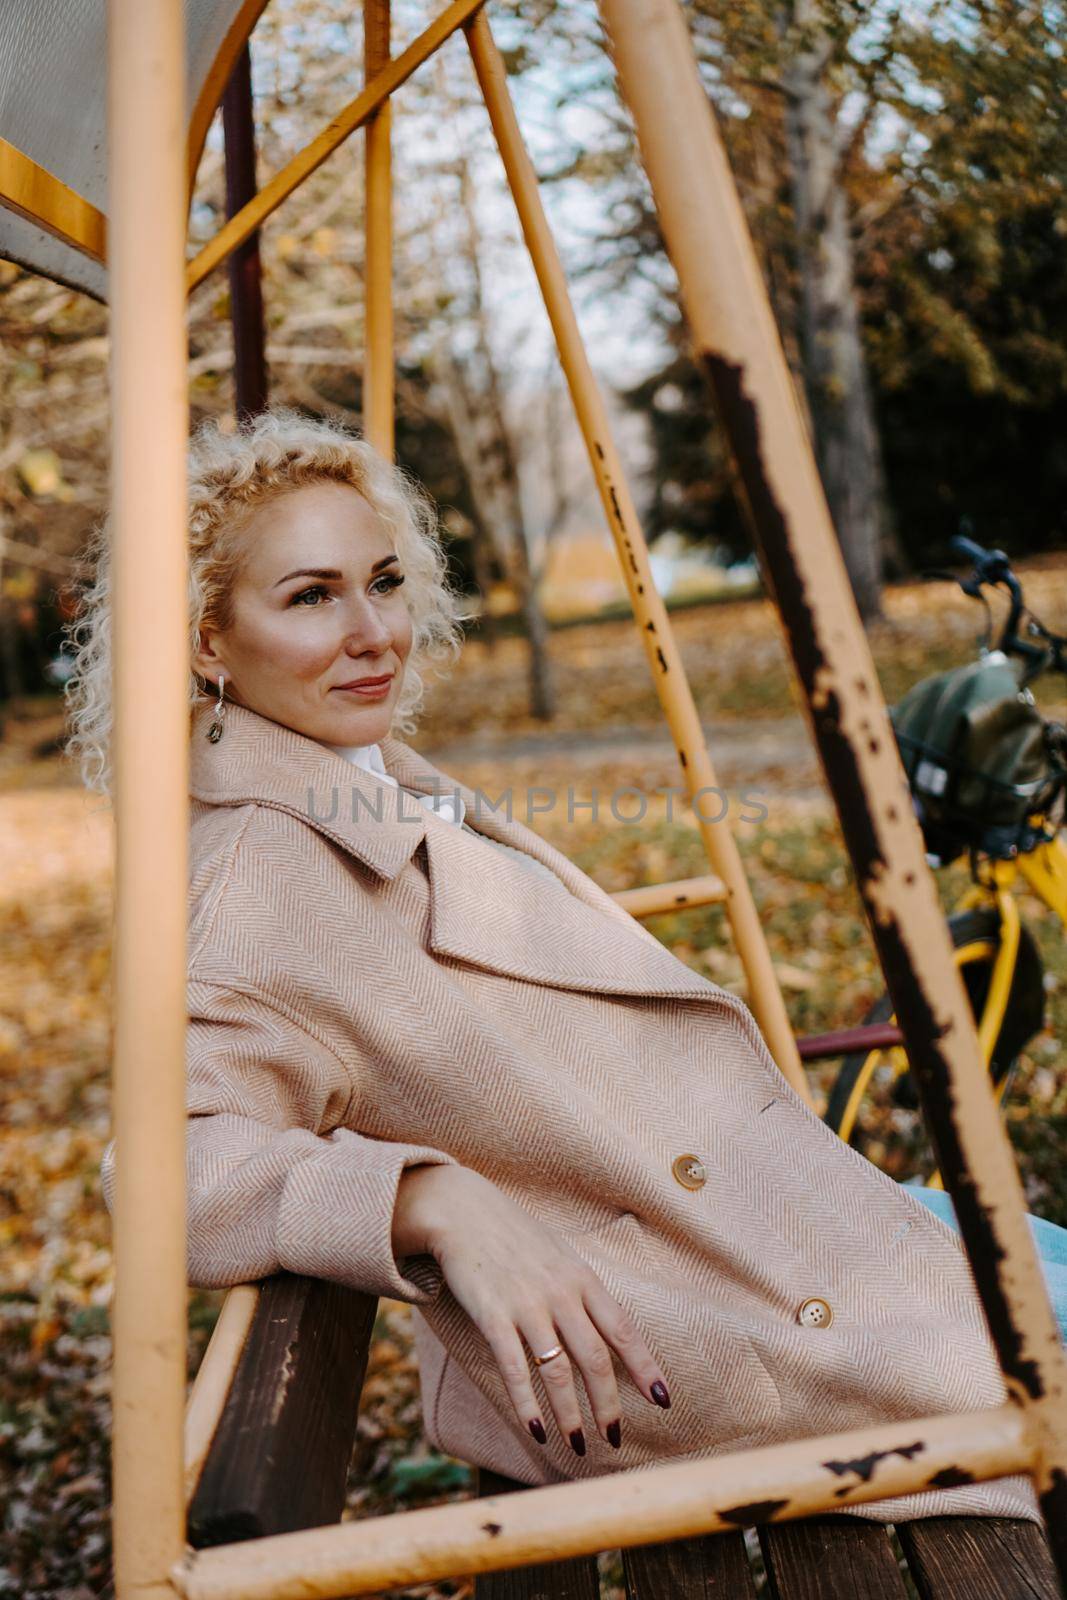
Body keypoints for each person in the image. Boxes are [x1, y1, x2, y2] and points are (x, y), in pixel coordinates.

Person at [71, 407, 1059, 1524]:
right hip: (738, 1322)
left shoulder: (352, 770)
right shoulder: (250, 872)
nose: (373, 631)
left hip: (781, 1241)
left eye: (384, 581)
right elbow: (157, 1172)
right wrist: (425, 1197)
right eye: (309, 596)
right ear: (206, 639)